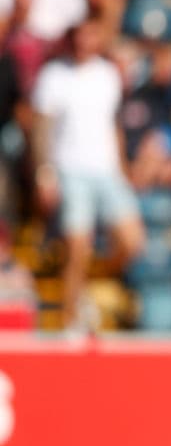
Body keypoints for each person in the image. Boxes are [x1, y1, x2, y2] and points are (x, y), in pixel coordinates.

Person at [30, 18, 145, 328]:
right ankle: (69, 319)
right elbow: (41, 129)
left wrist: (122, 167)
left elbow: (113, 124)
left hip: (106, 169)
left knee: (133, 242)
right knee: (77, 246)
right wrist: (44, 173)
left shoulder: (107, 74)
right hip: (70, 169)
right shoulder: (54, 75)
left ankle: (92, 286)